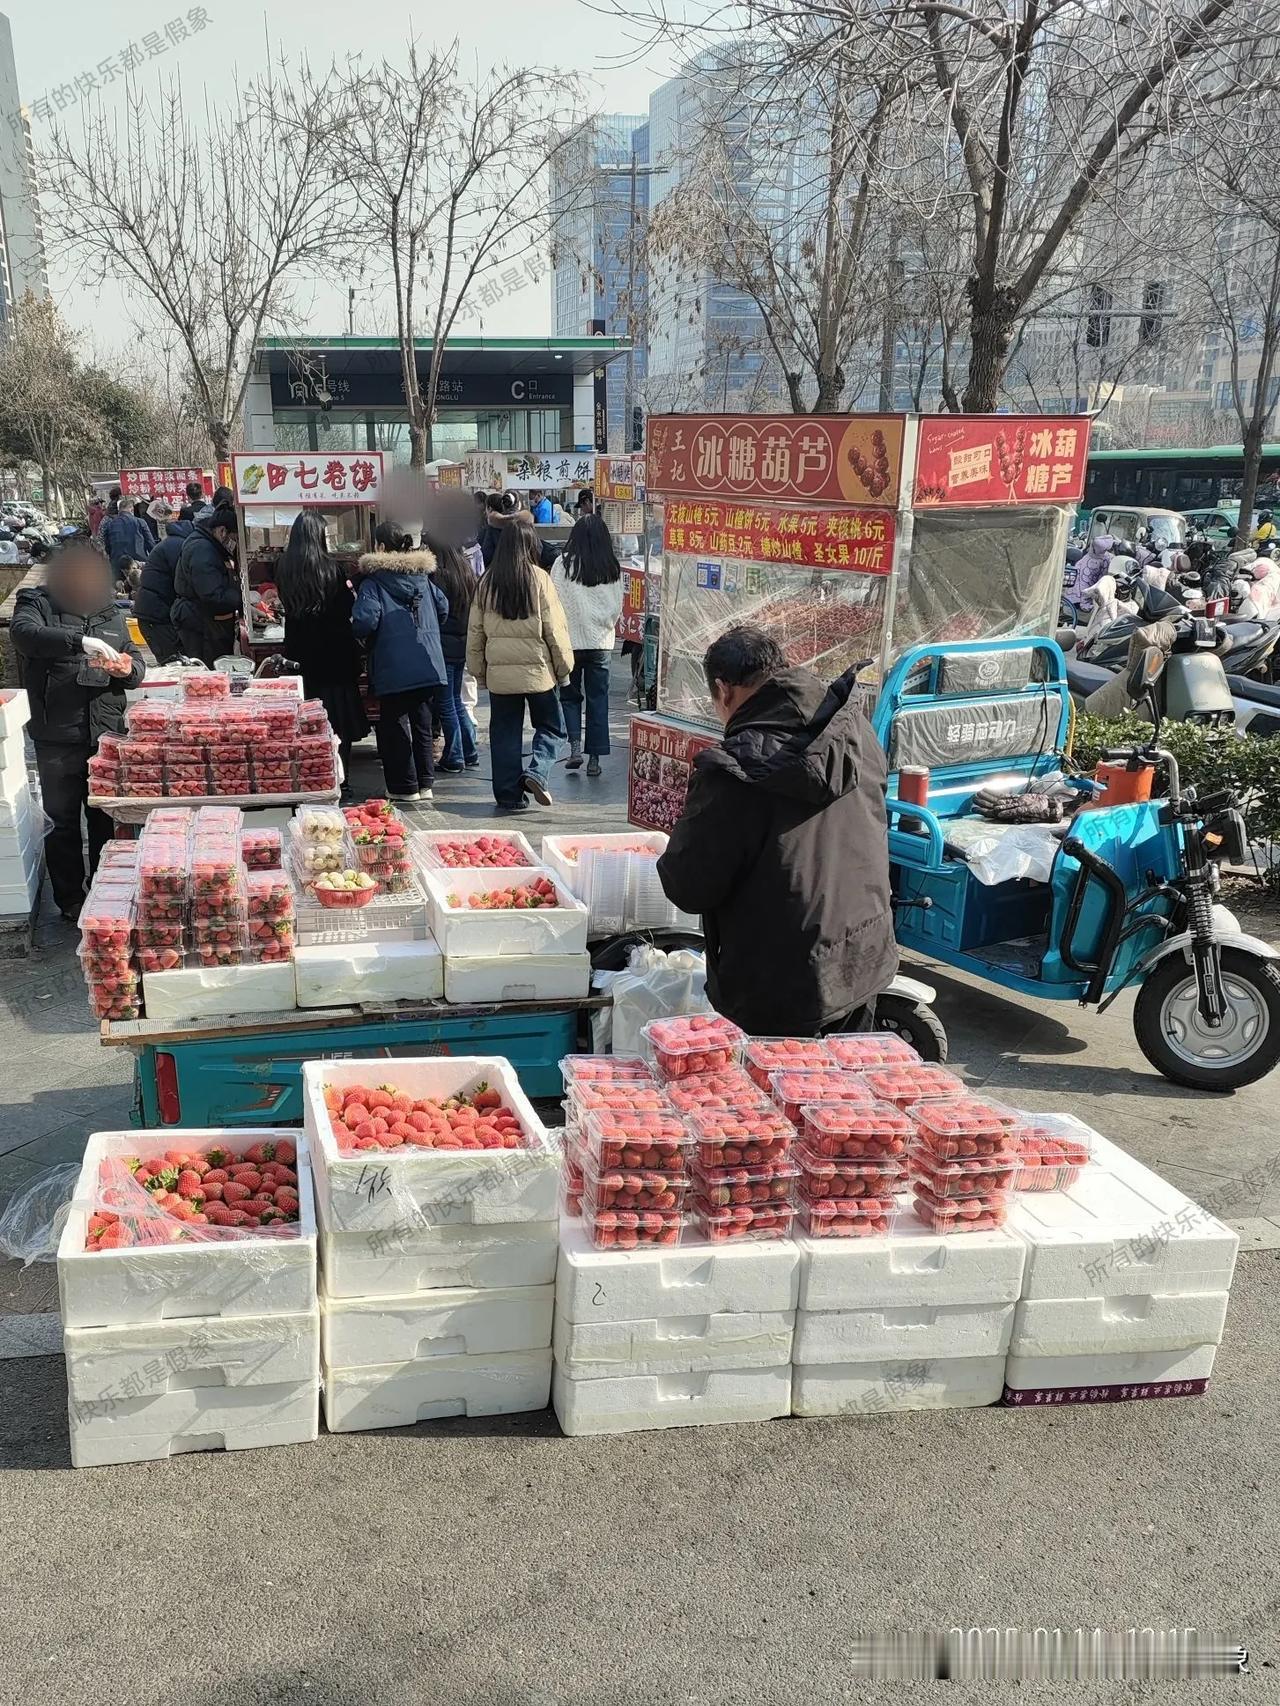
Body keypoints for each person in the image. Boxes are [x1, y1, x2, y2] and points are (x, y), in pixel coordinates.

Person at [656, 625, 898, 1037]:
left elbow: (690, 886)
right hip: (862, 954)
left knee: (778, 1096)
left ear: (724, 690)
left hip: (778, 982)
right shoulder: (854, 729)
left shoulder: (732, 773)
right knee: (840, 1093)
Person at [10, 541, 145, 918]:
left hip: (105, 732)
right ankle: (69, 899)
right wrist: (80, 641)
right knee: (63, 819)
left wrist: (126, 670)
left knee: (104, 814)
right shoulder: (37, 603)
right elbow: (24, 635)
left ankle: (106, 892)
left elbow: (135, 663)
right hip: (58, 733)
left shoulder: (109, 611)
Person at [466, 518, 573, 812]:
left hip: (501, 676)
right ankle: (537, 772)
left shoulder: (487, 581)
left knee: (504, 734)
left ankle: (509, 796)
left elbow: (475, 632)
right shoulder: (539, 579)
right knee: (553, 728)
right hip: (539, 672)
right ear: (530, 545)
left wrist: (479, 671)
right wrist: (564, 668)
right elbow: (555, 629)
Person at [352, 522, 449, 804]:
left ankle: (404, 787)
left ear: (380, 547)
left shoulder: (373, 582)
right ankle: (426, 783)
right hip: (427, 660)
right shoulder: (423, 577)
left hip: (392, 664)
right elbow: (443, 608)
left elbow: (365, 621)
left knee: (394, 724)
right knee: (422, 721)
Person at [275, 511, 369, 798]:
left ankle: (311, 776)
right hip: (335, 653)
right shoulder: (332, 569)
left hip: (300, 653)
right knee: (337, 721)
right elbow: (344, 611)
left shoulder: (283, 567)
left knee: (307, 722)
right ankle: (342, 780)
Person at [550, 512, 622, 776]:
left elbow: (553, 601)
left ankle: (575, 747)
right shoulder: (612, 566)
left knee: (569, 696)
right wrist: (603, 625)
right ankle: (595, 759)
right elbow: (617, 606)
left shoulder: (562, 564)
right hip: (601, 642)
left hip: (570, 642)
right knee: (598, 699)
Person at [424, 531, 480, 773]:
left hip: (443, 646)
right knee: (456, 701)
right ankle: (469, 750)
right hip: (462, 644)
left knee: (446, 703)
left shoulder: (437, 577)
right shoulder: (465, 572)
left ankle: (455, 755)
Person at [172, 502, 242, 665]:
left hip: (207, 622)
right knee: (207, 672)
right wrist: (242, 599)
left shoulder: (210, 545)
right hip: (201, 626)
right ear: (222, 531)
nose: (234, 543)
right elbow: (212, 594)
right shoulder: (203, 550)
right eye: (234, 538)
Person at [133, 510, 194, 663]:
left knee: (176, 661)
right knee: (173, 664)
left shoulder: (172, 543)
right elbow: (183, 581)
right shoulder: (179, 547)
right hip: (155, 615)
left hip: (155, 612)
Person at [99, 487, 155, 579]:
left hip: (118, 565)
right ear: (131, 510)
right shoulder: (140, 522)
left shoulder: (110, 524)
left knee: (121, 590)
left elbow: (107, 546)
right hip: (138, 562)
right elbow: (150, 543)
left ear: (119, 510)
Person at [478, 491, 509, 568]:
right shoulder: (513, 525)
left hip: (493, 573)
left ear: (489, 508)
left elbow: (485, 556)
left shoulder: (489, 529)